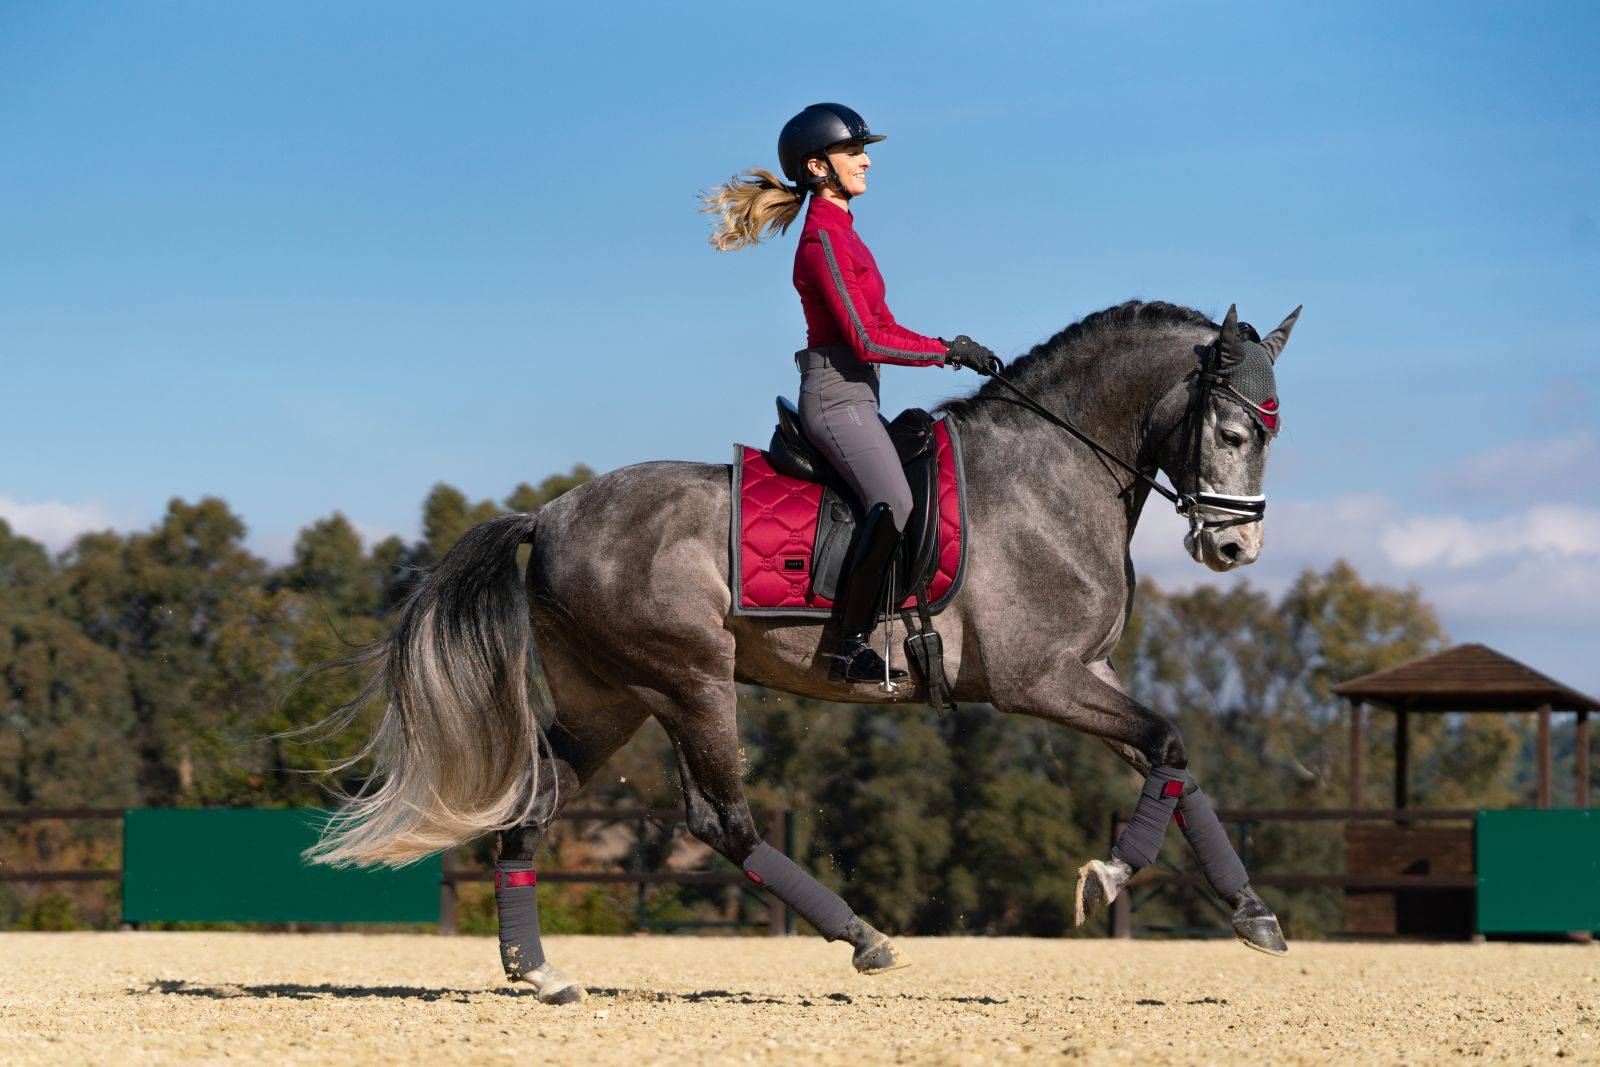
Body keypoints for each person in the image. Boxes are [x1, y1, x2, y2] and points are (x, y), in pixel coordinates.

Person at [702, 103, 1000, 683]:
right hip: (836, 400)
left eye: (865, 150)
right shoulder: (823, 241)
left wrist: (948, 343)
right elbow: (867, 340)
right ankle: (849, 647)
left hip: (858, 399)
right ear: (818, 167)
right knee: (896, 502)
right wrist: (946, 352)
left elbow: (883, 324)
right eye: (853, 152)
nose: (866, 160)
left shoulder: (846, 235)